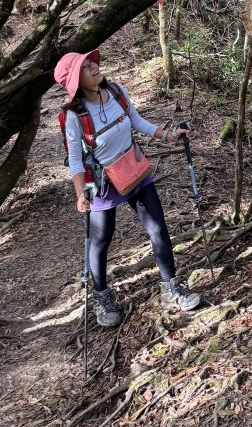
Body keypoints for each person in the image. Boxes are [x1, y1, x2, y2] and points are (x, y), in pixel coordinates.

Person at [54, 48, 201, 327]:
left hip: (133, 169)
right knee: (101, 240)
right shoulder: (74, 117)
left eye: (91, 63)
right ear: (75, 83)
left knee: (157, 227)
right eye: (85, 68)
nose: (94, 67)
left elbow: (136, 121)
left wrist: (168, 135)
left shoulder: (117, 91)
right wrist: (78, 195)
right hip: (102, 183)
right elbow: (75, 160)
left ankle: (170, 288)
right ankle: (101, 296)